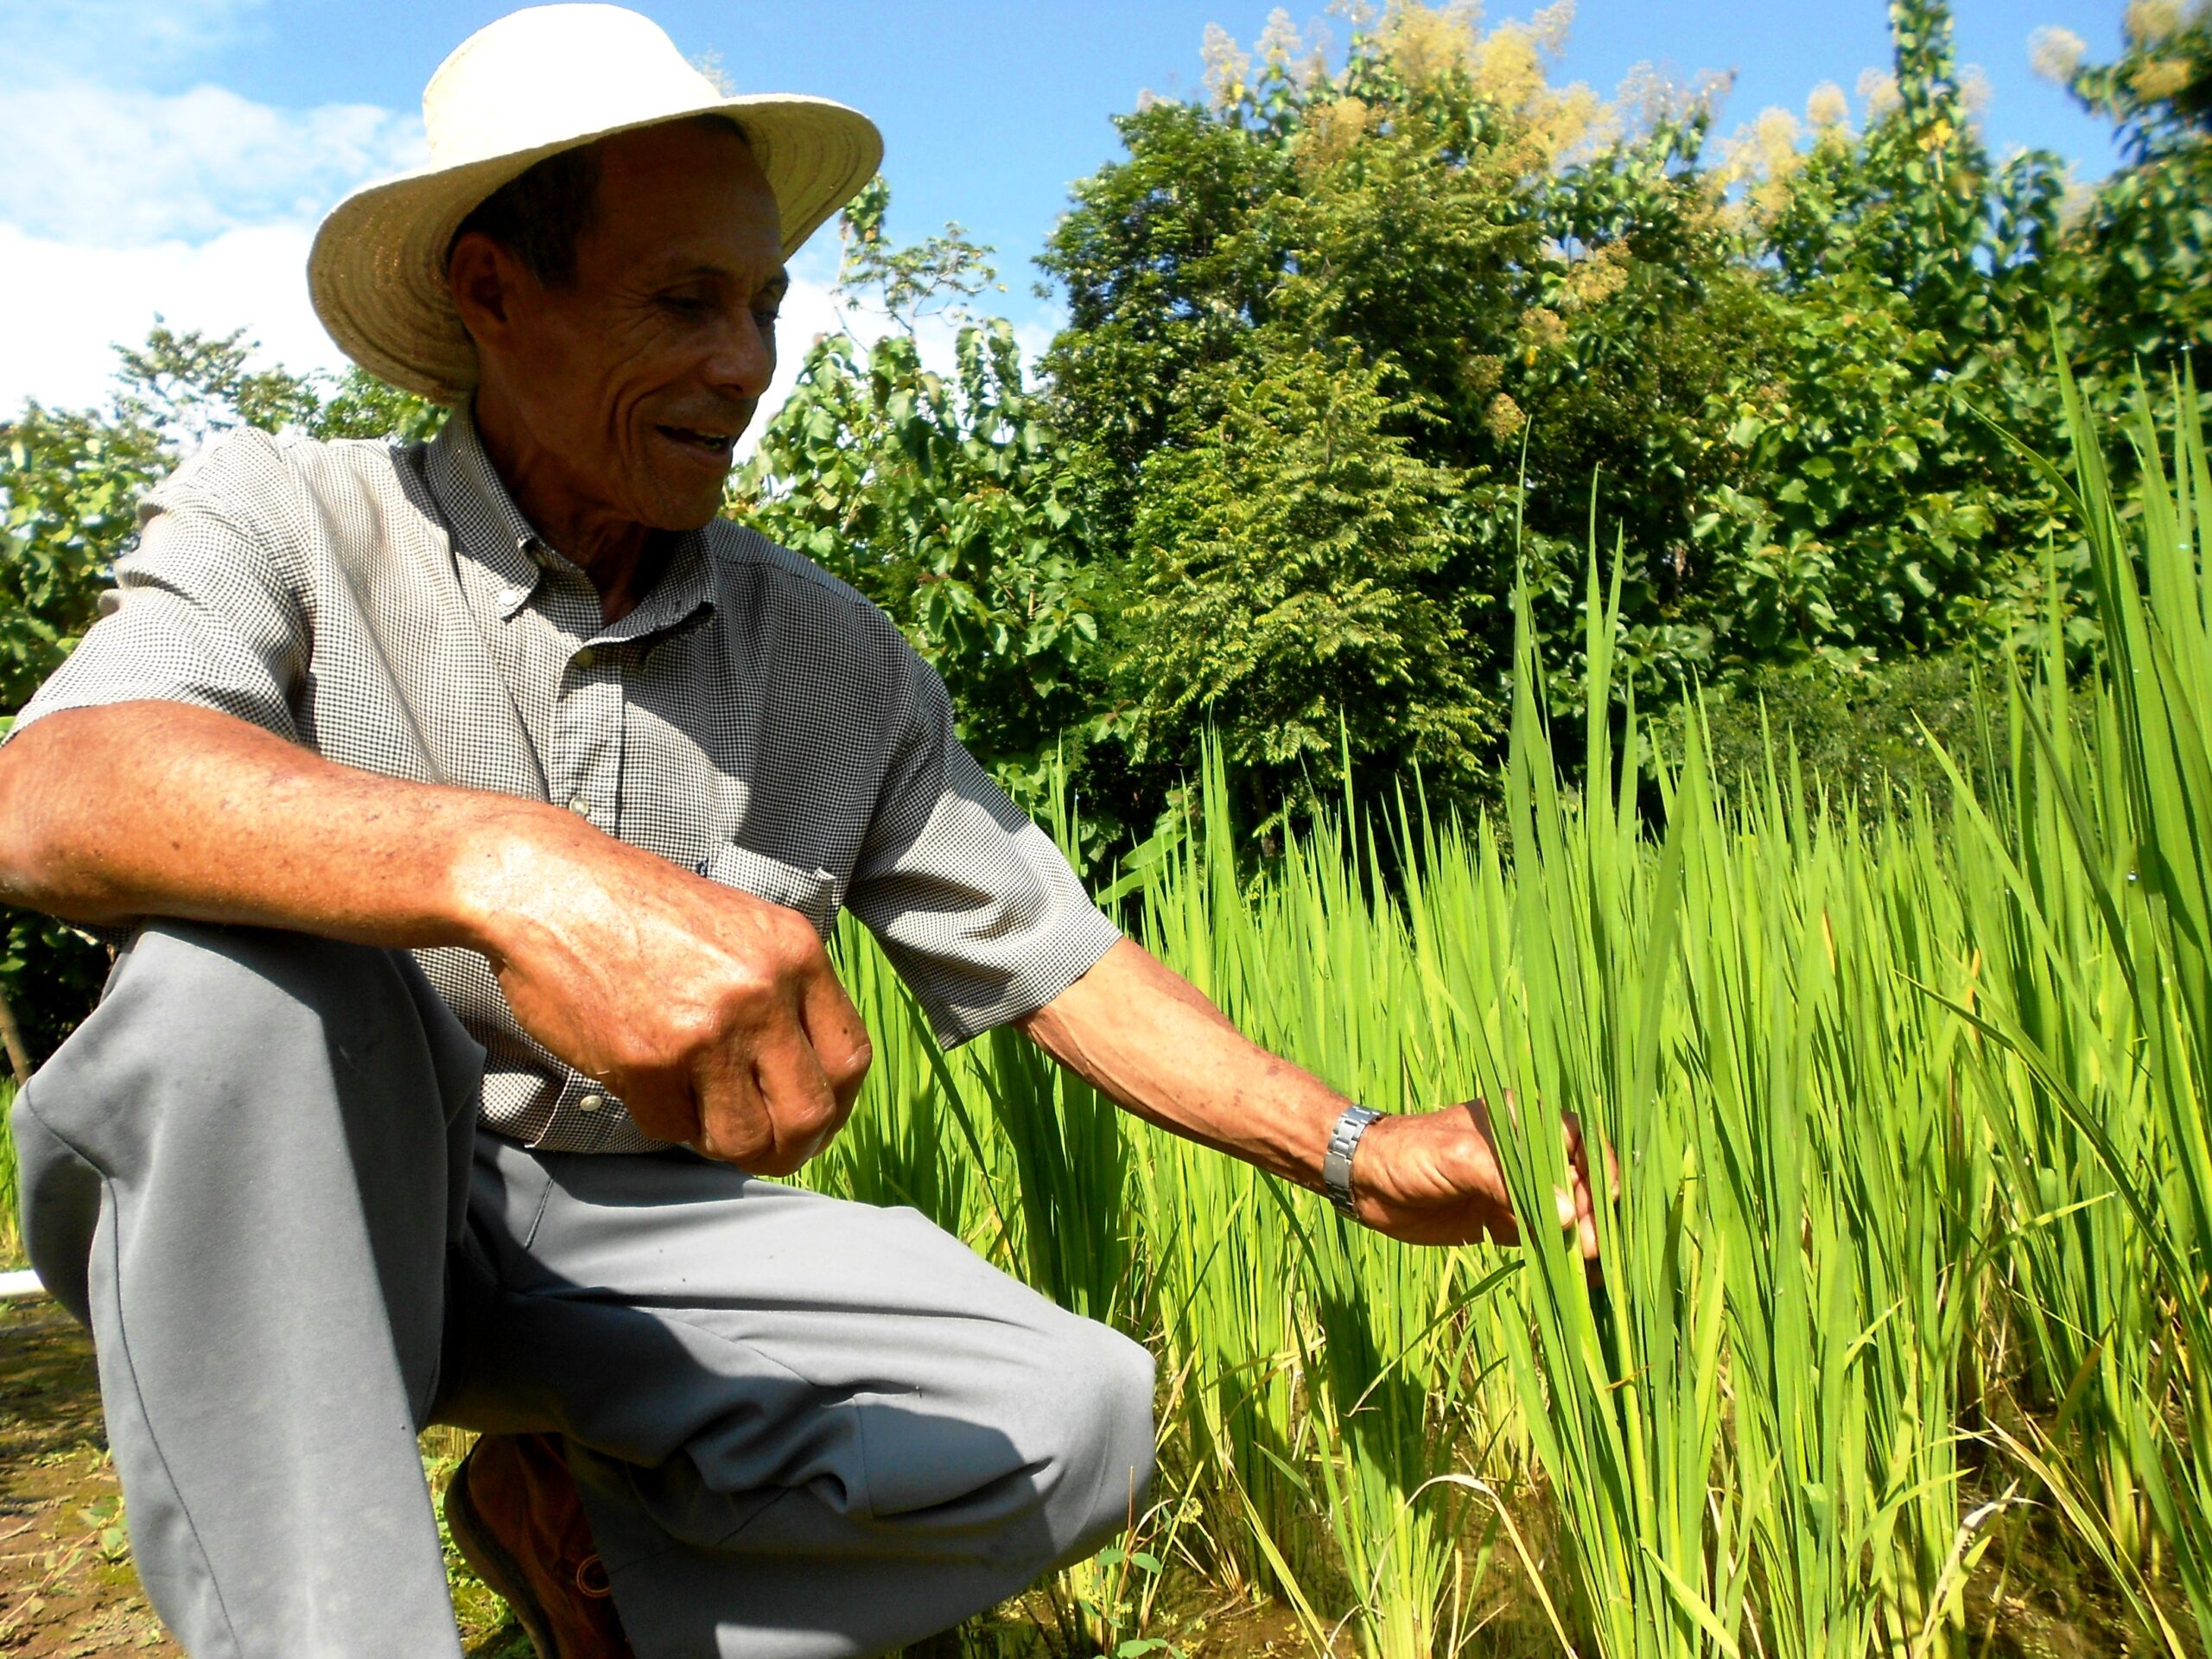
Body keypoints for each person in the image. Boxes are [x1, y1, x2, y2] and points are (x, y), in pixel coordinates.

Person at [0, 7, 1601, 1657]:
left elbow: (1051, 953)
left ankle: (594, 1555)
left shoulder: (830, 656)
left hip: (620, 1236)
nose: (748, 363)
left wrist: (1351, 1148)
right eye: (684, 301)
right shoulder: (287, 513)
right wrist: (519, 872)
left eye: (763, 303)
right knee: (232, 995)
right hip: (332, 1197)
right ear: (492, 289)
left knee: (1077, 1411)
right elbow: (52, 791)